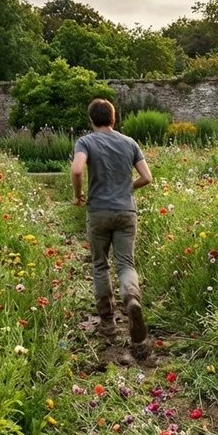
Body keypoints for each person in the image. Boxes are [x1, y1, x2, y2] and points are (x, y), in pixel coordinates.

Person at [71, 98, 153, 356]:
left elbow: (77, 170)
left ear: (91, 120)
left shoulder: (85, 142)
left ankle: (108, 322)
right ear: (113, 118)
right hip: (126, 211)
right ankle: (132, 298)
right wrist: (127, 188)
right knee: (126, 264)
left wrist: (78, 195)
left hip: (98, 211)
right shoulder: (129, 143)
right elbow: (147, 177)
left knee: (100, 265)